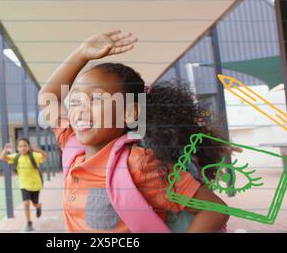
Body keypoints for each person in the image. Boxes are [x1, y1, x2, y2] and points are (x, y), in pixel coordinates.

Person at [39, 30, 230, 232]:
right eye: (76, 100)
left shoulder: (139, 165)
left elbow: (214, 209)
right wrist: (81, 55)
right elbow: (48, 95)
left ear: (130, 112)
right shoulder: (72, 147)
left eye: (96, 99)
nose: (80, 108)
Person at [0, 137, 48, 231]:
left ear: (29, 146)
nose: (23, 148)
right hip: (24, 185)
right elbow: (3, 158)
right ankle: (29, 222)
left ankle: (38, 206)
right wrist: (5, 150)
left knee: (35, 204)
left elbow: (46, 156)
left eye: (25, 146)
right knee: (26, 203)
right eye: (20, 146)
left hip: (35, 185)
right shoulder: (16, 157)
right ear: (17, 148)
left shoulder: (34, 155)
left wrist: (40, 151)